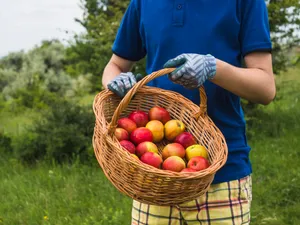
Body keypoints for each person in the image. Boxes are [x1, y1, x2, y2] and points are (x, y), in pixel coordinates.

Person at [102, 0, 276, 224]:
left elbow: (265, 89)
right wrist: (113, 82)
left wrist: (214, 68)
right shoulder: (143, 3)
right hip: (154, 175)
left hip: (221, 174)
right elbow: (115, 65)